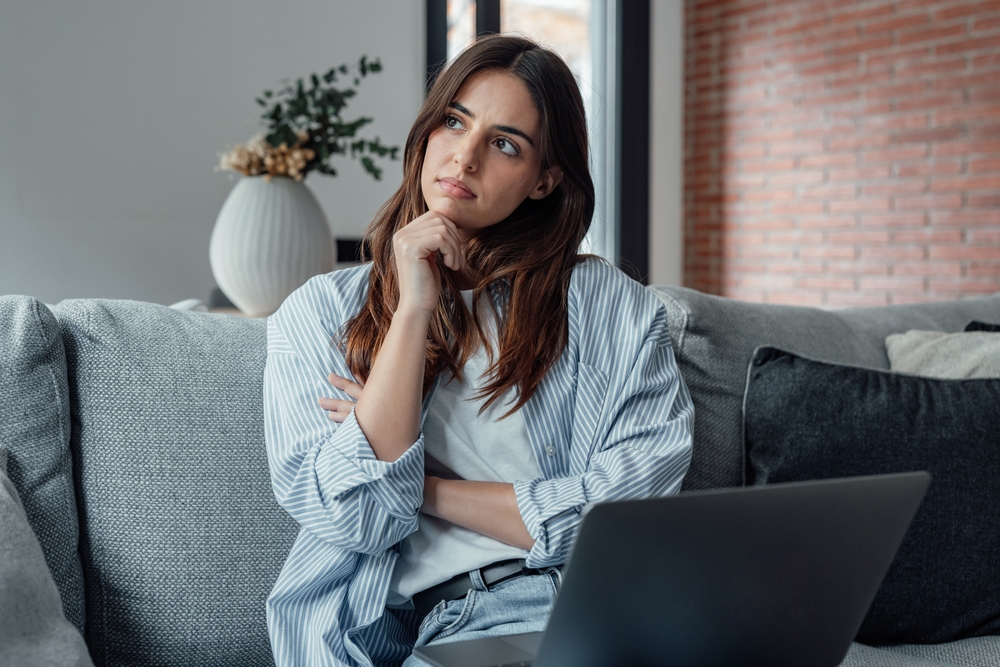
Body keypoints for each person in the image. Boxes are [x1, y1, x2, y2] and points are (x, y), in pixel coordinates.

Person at [263, 34, 694, 667]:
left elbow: (623, 520)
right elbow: (354, 516)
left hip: (596, 610)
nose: (463, 158)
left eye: (503, 144)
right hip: (442, 625)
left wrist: (426, 486)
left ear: (545, 179)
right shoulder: (321, 314)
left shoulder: (608, 306)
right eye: (454, 122)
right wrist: (412, 308)